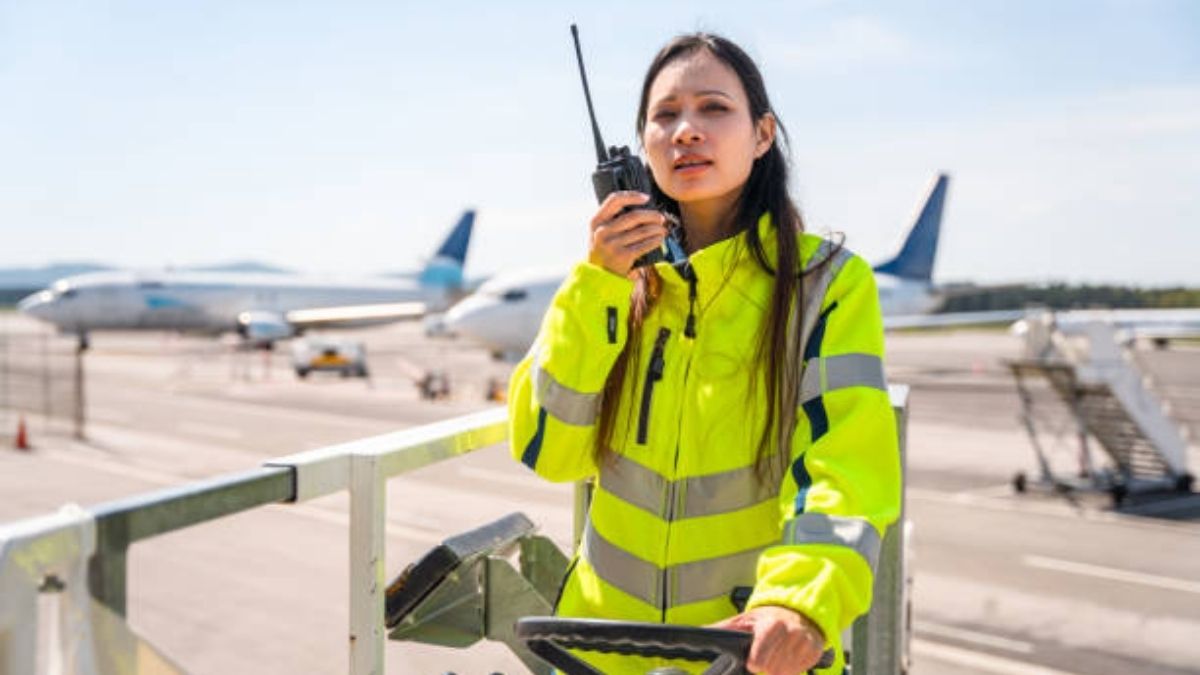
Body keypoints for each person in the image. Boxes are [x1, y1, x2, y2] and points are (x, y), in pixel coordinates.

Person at [508, 32, 901, 675]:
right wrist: (597, 285)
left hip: (751, 653)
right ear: (642, 150)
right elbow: (547, 451)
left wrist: (800, 604)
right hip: (600, 654)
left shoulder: (826, 282)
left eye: (714, 109)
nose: (686, 130)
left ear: (763, 134)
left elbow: (845, 473)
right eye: (664, 116)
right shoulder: (616, 285)